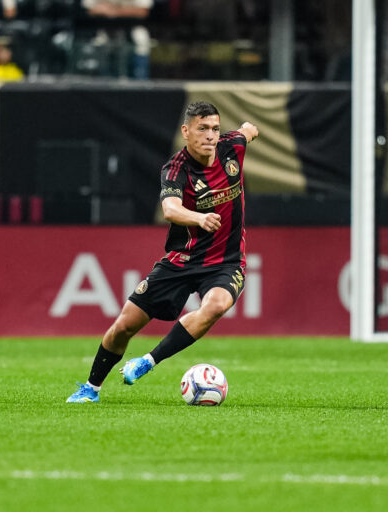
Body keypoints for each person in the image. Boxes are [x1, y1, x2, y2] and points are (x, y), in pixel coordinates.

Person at [66, 101, 258, 403]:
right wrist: (198, 218)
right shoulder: (176, 169)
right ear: (186, 131)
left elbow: (248, 131)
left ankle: (147, 362)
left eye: (215, 129)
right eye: (202, 129)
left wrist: (249, 130)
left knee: (216, 306)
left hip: (226, 262)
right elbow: (170, 208)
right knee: (124, 326)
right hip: (182, 260)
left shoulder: (232, 147)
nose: (210, 135)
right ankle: (91, 388)